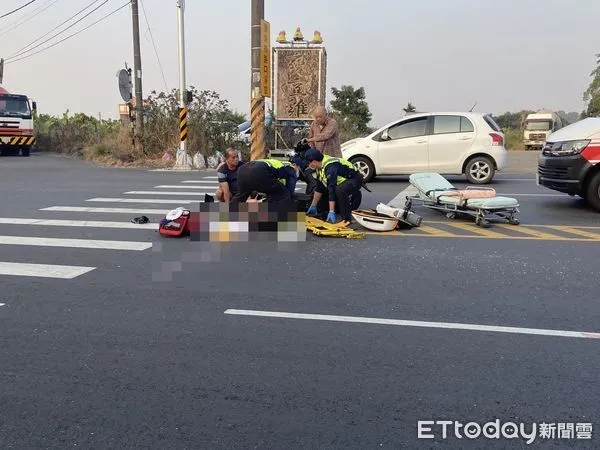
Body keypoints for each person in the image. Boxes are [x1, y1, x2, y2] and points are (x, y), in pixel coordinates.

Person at [304, 149, 363, 224]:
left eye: (309, 163)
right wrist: (313, 205)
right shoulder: (320, 166)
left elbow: (331, 189)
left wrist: (331, 211)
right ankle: (323, 213)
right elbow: (319, 188)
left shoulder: (330, 167)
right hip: (342, 182)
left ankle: (346, 219)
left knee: (339, 190)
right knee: (324, 192)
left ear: (314, 161)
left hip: (355, 179)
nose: (309, 165)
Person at [232, 158, 300, 204]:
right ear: (295, 165)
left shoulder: (275, 162)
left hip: (242, 170)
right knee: (284, 194)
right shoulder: (291, 168)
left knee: (241, 196)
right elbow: (290, 189)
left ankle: (227, 216)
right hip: (259, 170)